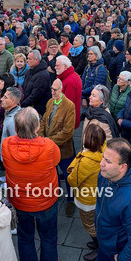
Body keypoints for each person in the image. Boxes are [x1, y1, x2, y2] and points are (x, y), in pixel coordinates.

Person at [0, 108, 61, 261]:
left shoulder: (6, 145)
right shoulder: (49, 146)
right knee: (48, 237)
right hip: (45, 201)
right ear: (36, 128)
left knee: (25, 238)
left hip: (20, 202)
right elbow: (56, 161)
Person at [67, 124, 106, 261]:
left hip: (87, 199)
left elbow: (72, 181)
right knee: (97, 221)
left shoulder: (86, 161)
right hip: (98, 195)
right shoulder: (104, 149)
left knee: (89, 225)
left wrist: (73, 167)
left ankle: (99, 248)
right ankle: (98, 244)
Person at [40, 78, 78, 217]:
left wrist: (48, 141)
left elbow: (68, 132)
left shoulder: (69, 106)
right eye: (52, 89)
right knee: (53, 173)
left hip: (63, 150)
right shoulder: (50, 102)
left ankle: (70, 199)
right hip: (48, 147)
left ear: (61, 89)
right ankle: (56, 193)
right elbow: (44, 120)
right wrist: (40, 136)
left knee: (68, 175)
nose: (52, 92)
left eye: (55, 90)